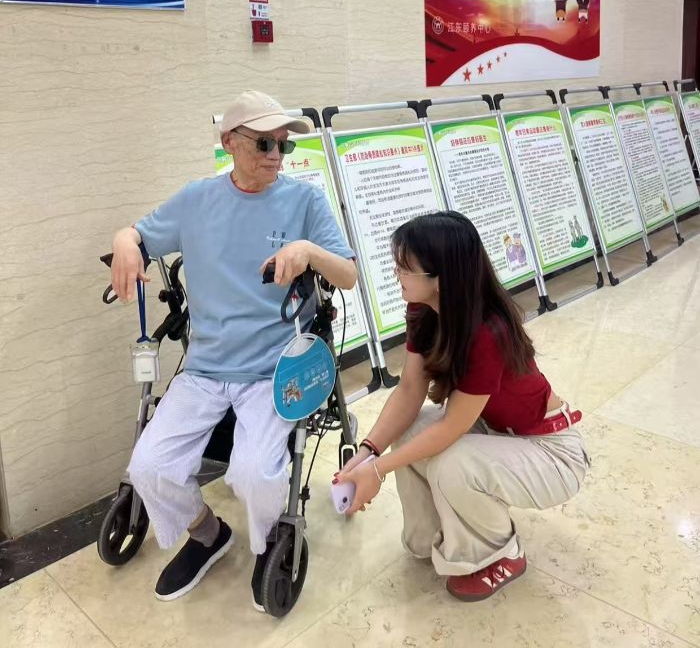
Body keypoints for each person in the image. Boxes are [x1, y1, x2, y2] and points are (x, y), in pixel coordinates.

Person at [110, 91, 356, 607]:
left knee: (253, 474)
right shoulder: (196, 201)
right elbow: (137, 235)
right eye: (264, 143)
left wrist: (308, 250)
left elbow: (348, 275)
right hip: (205, 368)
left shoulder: (304, 201)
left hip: (274, 367)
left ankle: (267, 541)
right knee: (149, 466)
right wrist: (124, 242)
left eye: (284, 145)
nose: (276, 154)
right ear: (229, 143)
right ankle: (208, 535)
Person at [335, 211, 588, 602]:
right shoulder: (424, 309)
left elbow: (452, 427)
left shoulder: (487, 333)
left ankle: (502, 553)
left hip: (550, 451)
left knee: (454, 462)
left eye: (405, 268)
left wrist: (378, 470)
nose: (396, 274)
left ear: (440, 278)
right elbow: (409, 390)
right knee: (412, 431)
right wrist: (368, 452)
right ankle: (435, 537)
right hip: (495, 431)